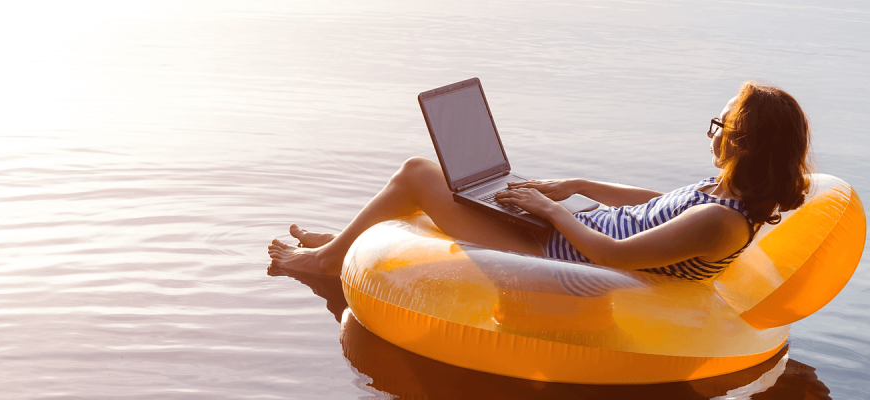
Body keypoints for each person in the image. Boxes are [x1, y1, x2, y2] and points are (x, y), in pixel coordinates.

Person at [269, 81, 813, 278]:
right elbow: (657, 204)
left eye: (720, 126)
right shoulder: (725, 196)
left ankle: (326, 258)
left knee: (418, 173)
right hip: (564, 226)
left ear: (741, 143)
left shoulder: (723, 224)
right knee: (463, 182)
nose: (712, 134)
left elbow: (614, 258)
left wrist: (549, 212)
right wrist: (573, 185)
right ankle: (342, 240)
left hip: (554, 253)